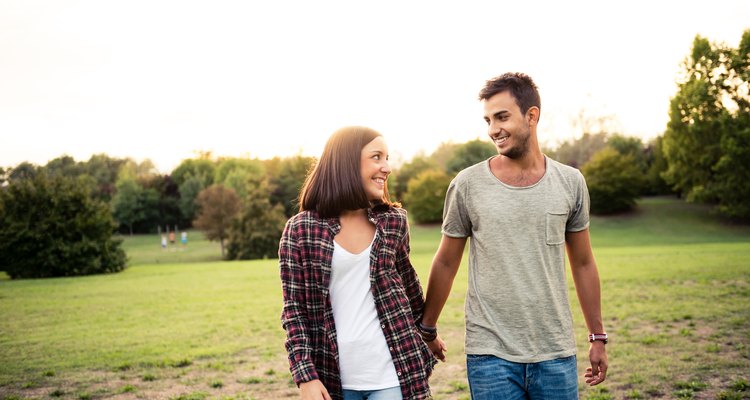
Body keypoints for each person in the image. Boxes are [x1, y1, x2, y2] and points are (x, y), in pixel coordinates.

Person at [420, 72, 608, 399]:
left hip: (555, 350)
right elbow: (447, 262)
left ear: (532, 115)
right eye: (488, 120)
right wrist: (427, 328)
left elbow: (583, 263)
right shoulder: (468, 184)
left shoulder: (571, 182)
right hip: (489, 353)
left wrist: (597, 337)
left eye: (502, 117)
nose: (493, 129)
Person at [279, 126, 437, 400]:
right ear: (347, 162)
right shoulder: (301, 230)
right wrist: (305, 376)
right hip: (332, 377)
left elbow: (410, 287)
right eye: (377, 157)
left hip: (393, 371)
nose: (386, 167)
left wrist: (429, 333)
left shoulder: (394, 221)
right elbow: (294, 310)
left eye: (387, 158)